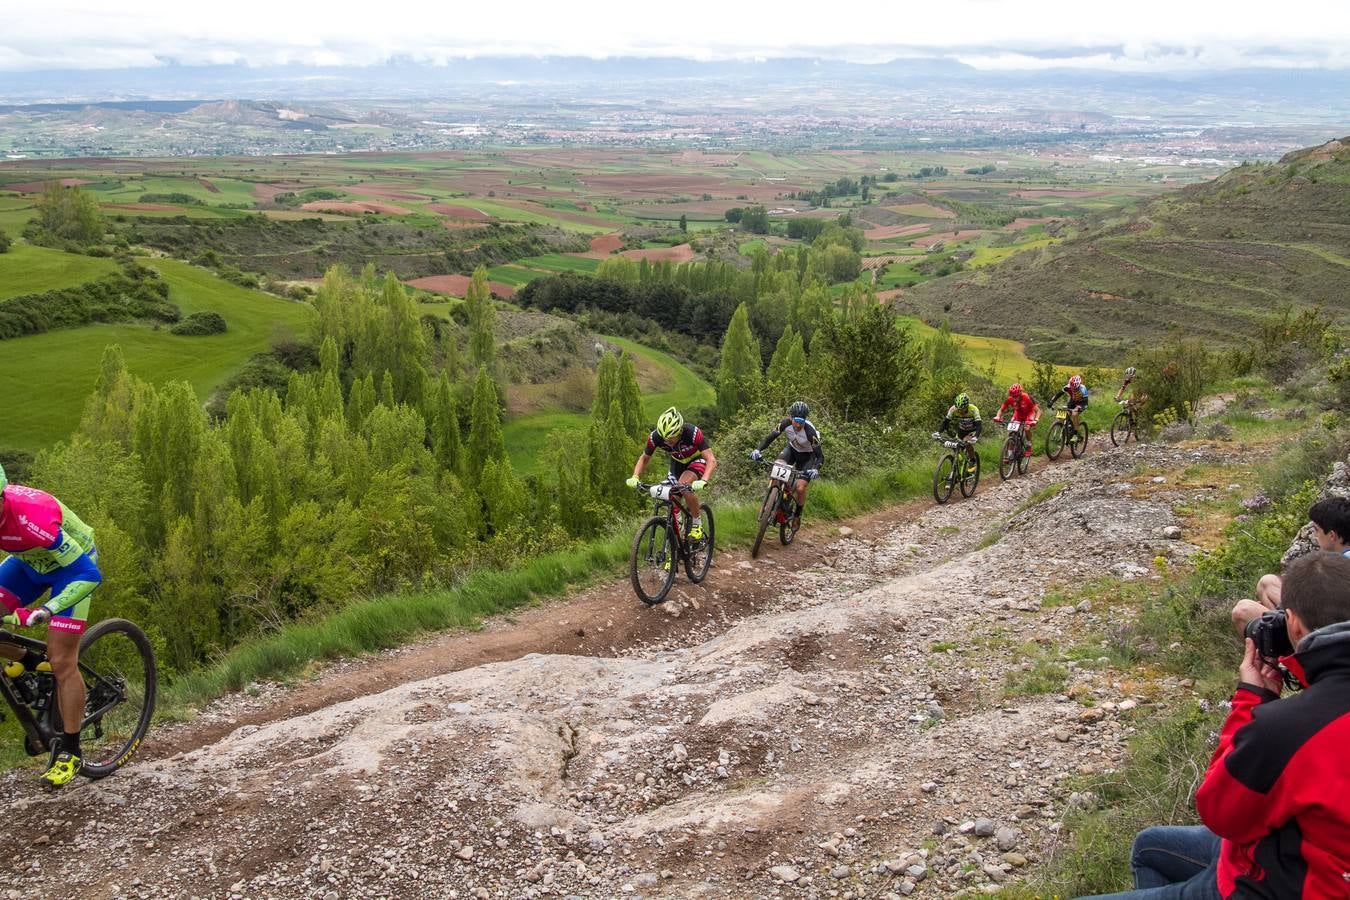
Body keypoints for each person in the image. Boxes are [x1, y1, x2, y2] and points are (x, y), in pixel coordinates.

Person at [1090, 552, 1350, 899]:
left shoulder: (1288, 730)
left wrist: (1252, 698)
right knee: (1149, 846)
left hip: (1274, 882)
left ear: (1294, 625)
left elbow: (1220, 812)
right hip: (1295, 846)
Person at [0, 463, 99, 788]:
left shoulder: (32, 519)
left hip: (73, 571)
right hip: (28, 564)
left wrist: (45, 610)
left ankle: (71, 750)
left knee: (62, 661)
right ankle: (31, 663)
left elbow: (88, 575)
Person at [1239, 497, 1350, 622]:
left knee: (1242, 610)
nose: (1315, 536)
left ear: (1331, 535)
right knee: (1267, 583)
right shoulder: (1340, 559)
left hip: (1327, 628)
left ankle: (1288, 631)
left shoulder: (1338, 568)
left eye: (1317, 530)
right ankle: (1282, 623)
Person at [627, 406, 717, 542]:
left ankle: (697, 524)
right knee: (671, 496)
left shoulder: (692, 433)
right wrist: (635, 477)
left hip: (696, 461)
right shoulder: (656, 437)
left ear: (680, 431)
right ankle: (675, 547)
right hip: (677, 464)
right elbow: (644, 458)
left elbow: (711, 459)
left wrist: (704, 480)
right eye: (665, 437)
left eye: (671, 437)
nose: (667, 441)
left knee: (684, 485)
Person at [750, 400, 823, 531]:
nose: (798, 424)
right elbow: (769, 438)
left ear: (805, 420)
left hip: (808, 456)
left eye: (802, 421)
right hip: (792, 450)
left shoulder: (810, 432)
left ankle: (797, 514)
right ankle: (770, 502)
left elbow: (820, 456)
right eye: (796, 420)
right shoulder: (784, 424)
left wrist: (816, 469)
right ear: (791, 417)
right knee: (777, 468)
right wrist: (758, 450)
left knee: (800, 488)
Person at [934, 392, 982, 467]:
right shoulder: (953, 409)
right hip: (961, 430)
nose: (960, 411)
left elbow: (979, 425)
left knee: (967, 443)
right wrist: (938, 432)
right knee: (956, 448)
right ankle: (957, 470)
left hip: (972, 430)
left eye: (962, 409)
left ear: (967, 406)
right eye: (958, 409)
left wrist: (975, 437)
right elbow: (945, 422)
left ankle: (972, 461)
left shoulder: (973, 409)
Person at [993, 383, 1039, 458]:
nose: (1015, 398)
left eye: (1017, 396)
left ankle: (1028, 444)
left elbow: (1038, 410)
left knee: (1027, 428)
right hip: (1018, 414)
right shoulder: (1010, 399)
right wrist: (998, 416)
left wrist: (1036, 420)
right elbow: (1001, 409)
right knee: (1011, 432)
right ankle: (1010, 454)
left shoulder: (1027, 397)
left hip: (1029, 413)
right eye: (1013, 396)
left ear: (1020, 393)